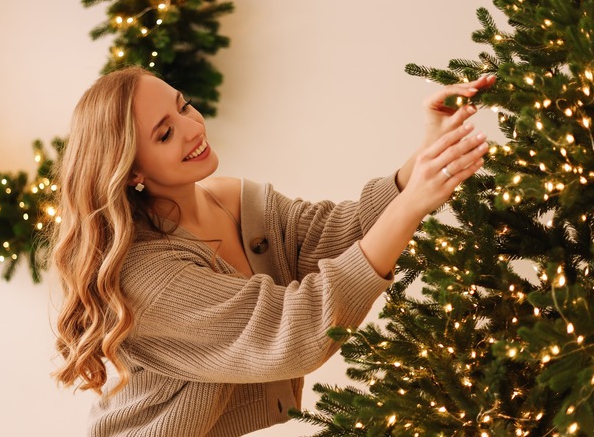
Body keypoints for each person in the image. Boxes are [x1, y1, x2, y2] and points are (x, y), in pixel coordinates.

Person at [49, 65, 495, 436]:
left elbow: (334, 233)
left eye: (183, 105)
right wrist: (412, 204)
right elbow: (294, 330)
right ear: (131, 172)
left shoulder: (230, 197)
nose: (192, 127)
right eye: (165, 134)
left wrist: (425, 153)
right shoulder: (147, 275)